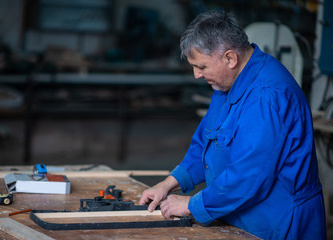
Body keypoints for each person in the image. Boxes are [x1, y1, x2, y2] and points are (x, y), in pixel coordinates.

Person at [139, 10, 326, 240]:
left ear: (229, 58)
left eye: (202, 66)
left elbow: (249, 175)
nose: (197, 75)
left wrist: (192, 205)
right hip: (241, 213)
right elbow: (206, 143)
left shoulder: (266, 97)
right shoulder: (227, 82)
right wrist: (168, 184)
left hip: (279, 221)